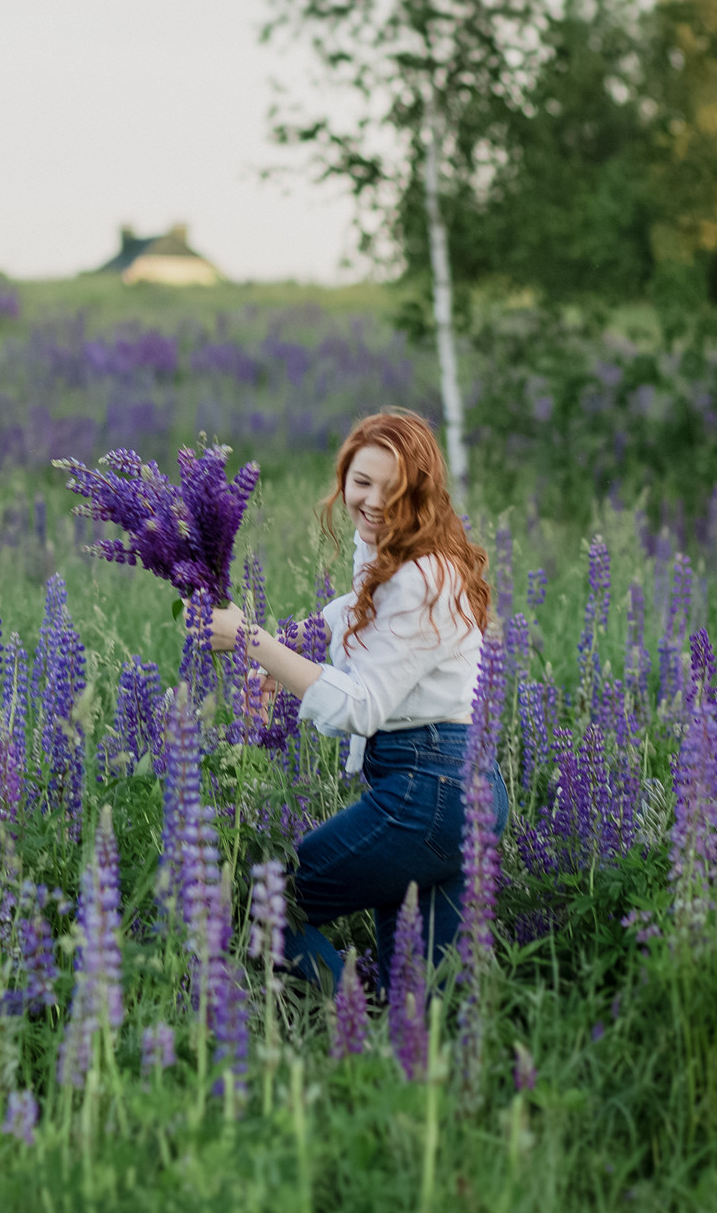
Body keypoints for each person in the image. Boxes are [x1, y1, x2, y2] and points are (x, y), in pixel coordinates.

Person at [207, 408, 505, 994]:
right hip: (460, 789)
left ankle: (351, 1030)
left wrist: (253, 640)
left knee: (268, 906)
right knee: (426, 1000)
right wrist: (289, 649)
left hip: (427, 795)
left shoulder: (422, 577)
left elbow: (363, 705)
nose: (371, 501)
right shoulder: (399, 554)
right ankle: (397, 1066)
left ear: (418, 492)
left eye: (391, 489)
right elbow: (354, 615)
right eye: (360, 482)